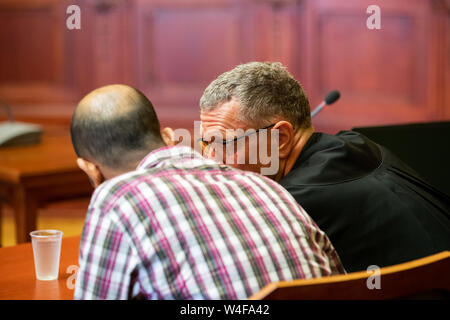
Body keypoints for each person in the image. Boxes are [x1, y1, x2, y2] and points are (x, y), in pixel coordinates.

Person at [70, 84, 344, 300]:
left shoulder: (116, 198)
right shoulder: (266, 186)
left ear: (91, 171)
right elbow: (337, 279)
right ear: (167, 137)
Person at [199, 61, 450, 273]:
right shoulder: (358, 145)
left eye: (222, 144)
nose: (210, 160)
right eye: (205, 143)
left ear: (281, 139)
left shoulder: (290, 204)